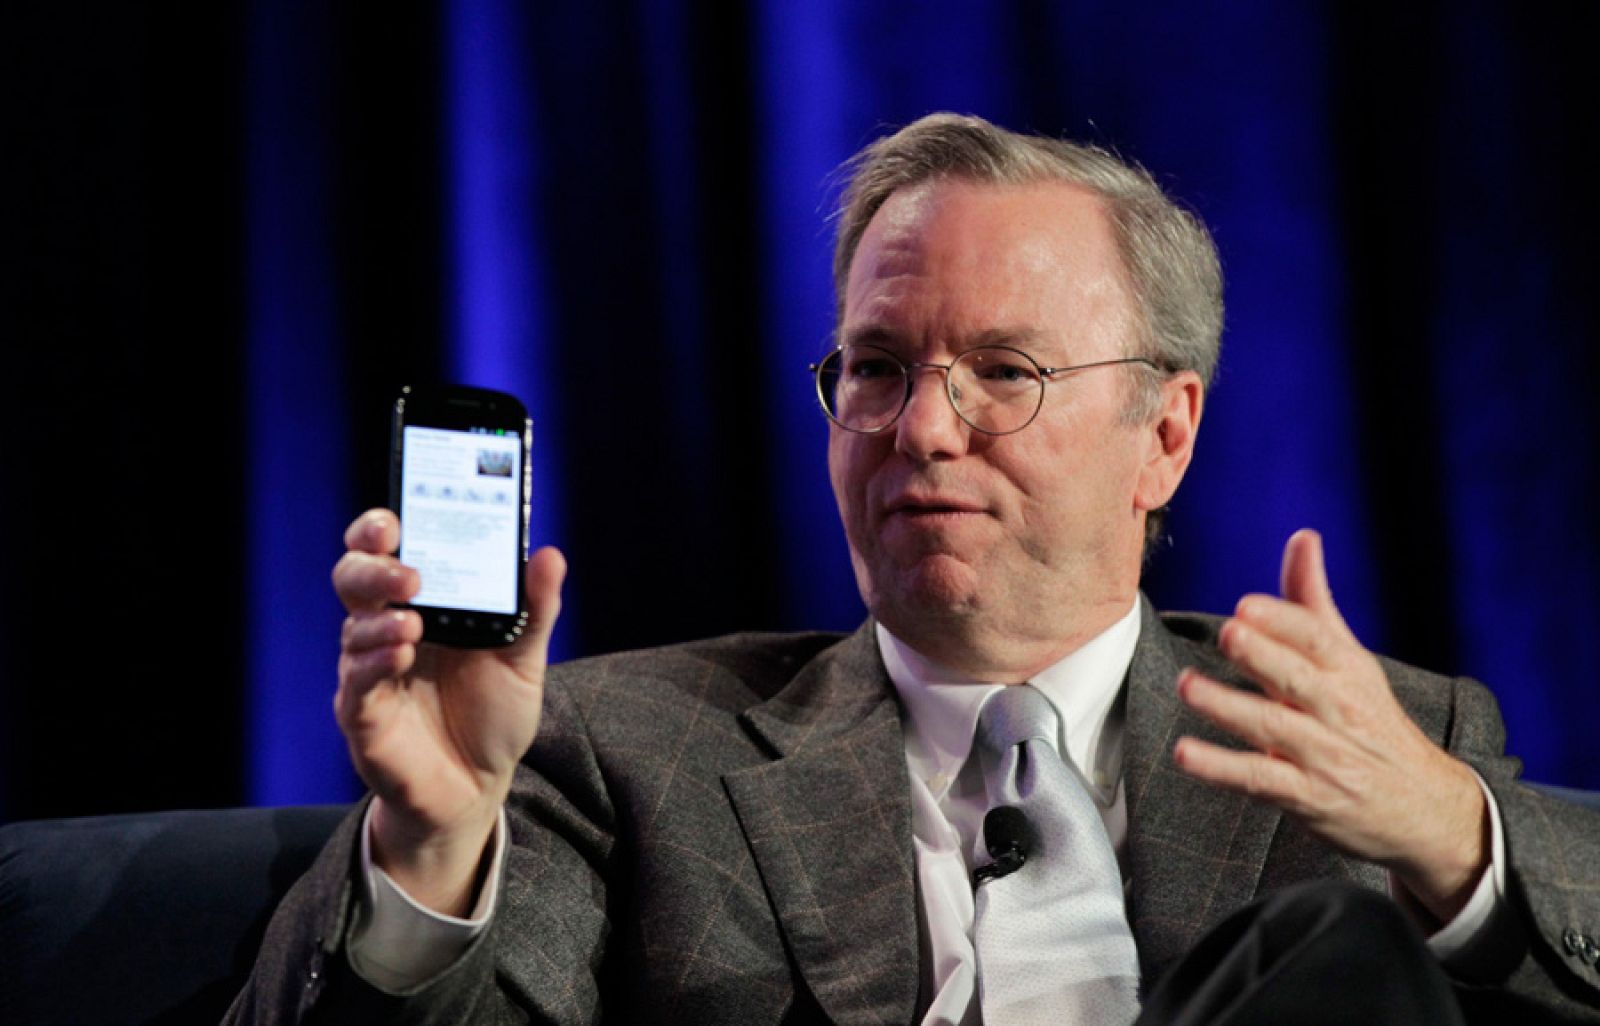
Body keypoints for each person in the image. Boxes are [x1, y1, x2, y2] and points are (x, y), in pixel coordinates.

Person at [225, 114, 1600, 1024]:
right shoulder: (626, 753)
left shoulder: (1387, 745)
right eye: (877, 368)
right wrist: (433, 843)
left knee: (1341, 957)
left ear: (1165, 435)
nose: (921, 429)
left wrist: (1453, 836)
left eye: (1004, 371)